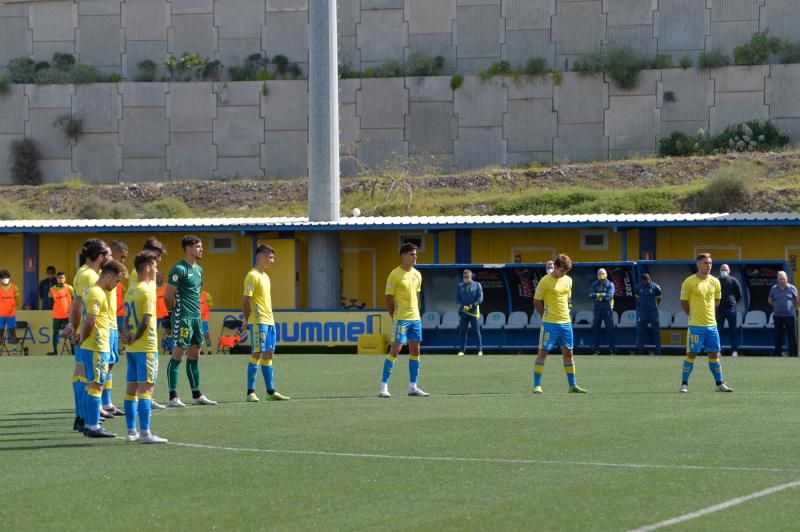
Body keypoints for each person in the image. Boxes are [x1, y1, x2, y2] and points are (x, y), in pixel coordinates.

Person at [63, 239, 110, 432]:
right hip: (90, 335)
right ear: (99, 257)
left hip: (85, 333)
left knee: (82, 375)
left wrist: (72, 326)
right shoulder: (90, 276)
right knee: (87, 377)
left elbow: (76, 302)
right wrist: (77, 330)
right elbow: (81, 305)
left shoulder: (84, 272)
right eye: (107, 255)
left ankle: (83, 417)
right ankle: (85, 418)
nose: (110, 258)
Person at [165, 235, 216, 407]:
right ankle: (173, 396)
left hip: (196, 318)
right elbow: (168, 295)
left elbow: (197, 292)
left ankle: (197, 394)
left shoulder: (199, 270)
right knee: (178, 354)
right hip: (183, 316)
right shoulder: (178, 269)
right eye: (198, 246)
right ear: (188, 248)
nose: (202, 249)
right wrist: (171, 315)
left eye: (201, 246)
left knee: (195, 355)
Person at [121, 250, 168, 443]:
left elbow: (125, 318)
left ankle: (131, 431)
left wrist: (126, 336)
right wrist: (134, 336)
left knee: (130, 390)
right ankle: (146, 433)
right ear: (147, 267)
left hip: (132, 349)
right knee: (146, 390)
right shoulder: (148, 291)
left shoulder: (130, 290)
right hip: (145, 347)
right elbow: (147, 320)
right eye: (155, 265)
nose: (157, 269)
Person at [77, 259, 126, 438]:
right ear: (108, 276)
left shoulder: (96, 292)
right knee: (96, 384)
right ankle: (92, 426)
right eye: (117, 281)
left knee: (92, 384)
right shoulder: (97, 293)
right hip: (97, 345)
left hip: (95, 345)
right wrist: (82, 336)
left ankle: (88, 423)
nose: (117, 285)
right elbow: (90, 320)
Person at [379, 242, 428, 398]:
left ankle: (413, 387)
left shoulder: (417, 274)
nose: (415, 257)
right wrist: (395, 316)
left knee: (415, 351)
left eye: (415, 254)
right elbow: (388, 299)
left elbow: (417, 295)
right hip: (401, 319)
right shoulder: (394, 274)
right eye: (412, 254)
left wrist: (417, 313)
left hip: (415, 319)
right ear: (403, 256)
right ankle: (383, 387)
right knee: (396, 350)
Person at [679, 253, 733, 393]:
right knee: (691, 354)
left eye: (710, 263)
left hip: (712, 326)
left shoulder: (715, 281)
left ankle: (719, 384)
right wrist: (693, 314)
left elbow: (717, 301)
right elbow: (684, 302)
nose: (708, 265)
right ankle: (684, 384)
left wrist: (707, 314)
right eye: (705, 263)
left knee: (714, 354)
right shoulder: (689, 281)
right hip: (696, 326)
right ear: (698, 264)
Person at [532, 254, 586, 393]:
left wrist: (568, 311)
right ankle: (537, 385)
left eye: (566, 271)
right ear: (555, 267)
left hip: (566, 323)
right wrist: (545, 315)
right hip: (550, 324)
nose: (564, 274)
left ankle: (572, 385)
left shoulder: (568, 280)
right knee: (543, 352)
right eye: (562, 270)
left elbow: (568, 299)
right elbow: (536, 301)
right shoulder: (545, 281)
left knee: (569, 353)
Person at [242, 245, 290, 402]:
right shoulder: (252, 275)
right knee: (257, 353)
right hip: (258, 321)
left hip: (269, 320)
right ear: (261, 256)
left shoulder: (265, 276)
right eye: (270, 257)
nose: (272, 261)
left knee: (269, 354)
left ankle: (270, 391)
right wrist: (247, 319)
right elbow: (246, 300)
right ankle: (250, 392)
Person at [102, 240, 129, 417]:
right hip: (104, 325)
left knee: (110, 364)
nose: (123, 261)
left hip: (114, 320)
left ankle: (107, 403)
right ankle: (99, 406)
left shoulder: (117, 278)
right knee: (102, 366)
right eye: (122, 257)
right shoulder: (103, 276)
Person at [768, 271, 799, 357]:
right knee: (778, 335)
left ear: (787, 279)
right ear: (777, 279)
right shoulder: (773, 288)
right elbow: (770, 300)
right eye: (780, 279)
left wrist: (791, 307)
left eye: (784, 279)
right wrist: (777, 306)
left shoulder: (792, 288)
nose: (782, 280)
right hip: (777, 316)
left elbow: (797, 300)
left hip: (790, 316)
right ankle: (777, 353)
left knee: (792, 335)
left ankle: (793, 353)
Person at [717, 264, 742, 357]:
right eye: (722, 269)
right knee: (718, 330)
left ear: (729, 270)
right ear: (720, 270)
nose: (724, 271)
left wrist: (733, 302)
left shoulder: (734, 281)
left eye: (726, 269)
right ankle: (718, 350)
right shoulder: (716, 281)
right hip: (719, 309)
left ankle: (734, 351)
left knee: (733, 330)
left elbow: (739, 295)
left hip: (731, 309)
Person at [456, 269, 483, 356]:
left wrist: (471, 306)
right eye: (464, 277)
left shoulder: (477, 285)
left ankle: (479, 350)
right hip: (463, 312)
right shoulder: (460, 286)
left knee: (476, 331)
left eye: (467, 277)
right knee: (462, 331)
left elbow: (480, 298)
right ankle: (461, 350)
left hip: (473, 312)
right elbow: (458, 299)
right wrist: (462, 306)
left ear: (471, 277)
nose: (465, 278)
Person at [589, 267, 616, 356]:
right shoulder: (594, 284)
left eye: (603, 273)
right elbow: (590, 295)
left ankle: (612, 350)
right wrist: (602, 295)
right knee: (596, 329)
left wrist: (598, 295)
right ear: (597, 275)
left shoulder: (610, 284)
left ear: (606, 274)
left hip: (607, 309)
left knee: (610, 330)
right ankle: (596, 350)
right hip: (597, 309)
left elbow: (609, 296)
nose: (601, 275)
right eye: (599, 273)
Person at [634, 273, 662, 356]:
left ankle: (658, 351)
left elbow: (659, 299)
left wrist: (653, 306)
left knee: (656, 331)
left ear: (650, 279)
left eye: (648, 280)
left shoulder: (656, 287)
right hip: (643, 312)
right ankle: (640, 350)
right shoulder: (638, 287)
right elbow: (637, 299)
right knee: (641, 331)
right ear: (642, 281)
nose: (647, 281)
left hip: (653, 312)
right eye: (645, 280)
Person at [49, 272, 75, 356]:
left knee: (70, 333)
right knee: (55, 333)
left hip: (67, 315)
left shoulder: (70, 288)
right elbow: (50, 302)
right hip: (57, 315)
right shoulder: (52, 289)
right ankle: (55, 350)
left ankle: (73, 351)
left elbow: (74, 300)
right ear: (56, 278)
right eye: (60, 277)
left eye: (63, 277)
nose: (61, 279)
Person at [0, 269, 22, 352]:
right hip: (0, 315)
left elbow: (18, 300)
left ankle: (14, 351)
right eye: (3, 277)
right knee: (0, 332)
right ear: (1, 278)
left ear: (9, 277)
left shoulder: (14, 287)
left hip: (11, 315)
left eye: (6, 277)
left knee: (12, 332)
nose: (5, 278)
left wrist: (12, 308)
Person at [200, 283, 213, 354]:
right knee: (198, 335)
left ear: (201, 286)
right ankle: (200, 350)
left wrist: (204, 313)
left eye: (199, 285)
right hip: (195, 319)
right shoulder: (192, 295)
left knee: (206, 335)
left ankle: (209, 350)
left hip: (204, 319)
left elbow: (209, 305)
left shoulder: (206, 295)